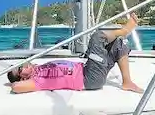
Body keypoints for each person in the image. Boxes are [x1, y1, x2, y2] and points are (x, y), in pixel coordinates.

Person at [8, 13, 144, 94]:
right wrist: (17, 82)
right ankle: (125, 29)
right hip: (88, 79)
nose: (24, 65)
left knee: (119, 43)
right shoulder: (38, 81)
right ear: (23, 78)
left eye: (22, 64)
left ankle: (127, 82)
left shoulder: (39, 67)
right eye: (20, 68)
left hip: (88, 69)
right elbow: (15, 87)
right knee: (97, 38)